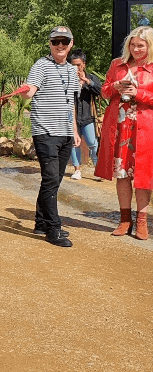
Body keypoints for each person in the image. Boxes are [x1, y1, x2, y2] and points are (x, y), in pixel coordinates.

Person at [21, 26, 82, 247]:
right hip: (45, 130)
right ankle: (53, 229)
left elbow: (71, 103)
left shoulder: (71, 71)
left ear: (70, 44)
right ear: (50, 43)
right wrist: (25, 90)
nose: (60, 45)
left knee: (54, 180)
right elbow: (30, 91)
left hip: (65, 132)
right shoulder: (41, 65)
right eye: (56, 41)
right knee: (50, 179)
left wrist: (74, 131)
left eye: (64, 42)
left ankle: (40, 222)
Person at [94, 25, 153, 240]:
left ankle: (142, 222)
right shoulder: (117, 65)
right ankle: (124, 220)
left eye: (141, 45)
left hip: (145, 129)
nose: (136, 49)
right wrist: (116, 86)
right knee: (122, 173)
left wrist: (140, 93)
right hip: (120, 127)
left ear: (149, 46)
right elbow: (104, 91)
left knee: (142, 176)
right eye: (133, 44)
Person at [68, 49, 102, 180]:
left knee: (93, 143)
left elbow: (100, 91)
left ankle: (97, 168)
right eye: (73, 65)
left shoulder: (92, 78)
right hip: (73, 118)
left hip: (88, 117)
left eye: (78, 64)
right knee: (74, 144)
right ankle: (77, 170)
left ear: (84, 64)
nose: (76, 67)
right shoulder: (68, 79)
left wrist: (87, 82)